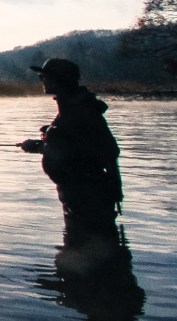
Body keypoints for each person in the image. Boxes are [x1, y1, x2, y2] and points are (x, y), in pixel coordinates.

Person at [19, 58, 123, 223]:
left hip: (87, 200)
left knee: (86, 244)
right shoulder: (73, 107)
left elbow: (105, 151)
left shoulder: (79, 110)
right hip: (81, 196)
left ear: (58, 80)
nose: (41, 80)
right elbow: (76, 144)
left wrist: (40, 145)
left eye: (43, 77)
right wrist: (51, 135)